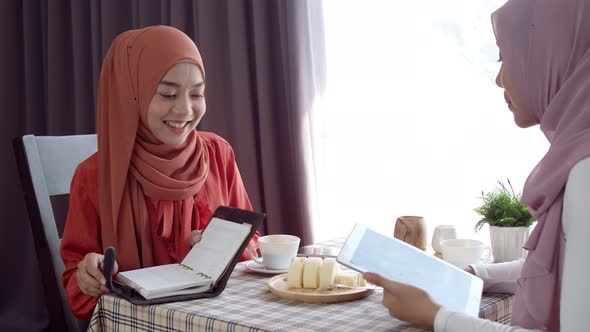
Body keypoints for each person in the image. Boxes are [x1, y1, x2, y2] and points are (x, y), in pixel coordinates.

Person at [363, 0, 590, 331]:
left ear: (551, 58)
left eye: (505, 58)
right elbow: (561, 268)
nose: (499, 80)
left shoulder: (584, 176)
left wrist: (434, 316)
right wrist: (473, 274)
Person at [60, 26, 260, 320]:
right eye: (167, 94)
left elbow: (252, 243)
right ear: (131, 95)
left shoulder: (218, 154)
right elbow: (77, 286)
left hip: (220, 319)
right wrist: (89, 277)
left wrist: (223, 248)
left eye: (197, 94)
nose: (184, 109)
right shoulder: (94, 176)